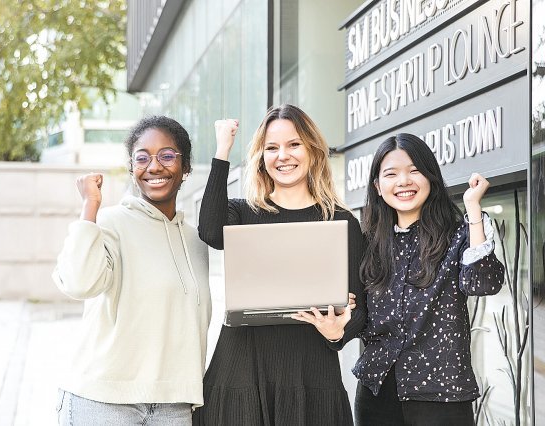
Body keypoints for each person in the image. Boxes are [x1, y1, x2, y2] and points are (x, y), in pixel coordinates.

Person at [192, 104, 366, 426]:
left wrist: (337, 331)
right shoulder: (242, 212)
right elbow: (210, 231)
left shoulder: (341, 221)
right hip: (242, 371)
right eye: (271, 148)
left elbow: (360, 309)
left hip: (309, 374)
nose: (282, 155)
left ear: (313, 150)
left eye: (294, 144)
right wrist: (223, 149)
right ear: (261, 158)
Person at [52, 116, 211, 425]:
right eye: (142, 158)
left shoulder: (196, 240)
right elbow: (78, 283)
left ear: (186, 167)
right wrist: (89, 208)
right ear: (132, 168)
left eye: (167, 155)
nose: (154, 166)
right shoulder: (110, 221)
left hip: (173, 405)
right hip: (102, 401)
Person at [353, 133, 505, 425]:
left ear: (431, 177)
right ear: (377, 186)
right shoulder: (367, 241)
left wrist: (473, 208)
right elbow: (357, 312)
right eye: (391, 174)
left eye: (414, 171)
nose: (403, 181)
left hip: (441, 397)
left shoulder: (457, 234)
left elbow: (483, 283)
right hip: (376, 394)